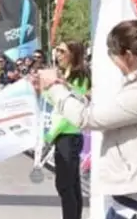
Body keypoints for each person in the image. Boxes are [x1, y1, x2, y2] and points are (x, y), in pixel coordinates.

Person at [34, 15, 137, 219]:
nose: (113, 61)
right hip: (129, 202)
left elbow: (87, 118)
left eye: (112, 54)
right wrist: (63, 87)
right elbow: (98, 109)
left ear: (128, 56)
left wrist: (54, 87)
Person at [42, 41, 91, 219]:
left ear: (73, 54)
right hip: (63, 135)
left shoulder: (80, 76)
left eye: (62, 51)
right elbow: (54, 101)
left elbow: (72, 109)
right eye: (57, 51)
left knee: (66, 185)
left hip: (69, 134)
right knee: (71, 184)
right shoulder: (65, 74)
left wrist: (50, 136)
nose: (58, 55)